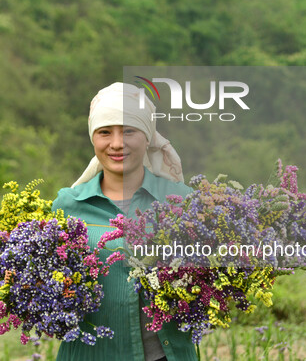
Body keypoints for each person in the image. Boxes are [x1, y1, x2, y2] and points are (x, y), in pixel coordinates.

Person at [52, 83, 197, 361]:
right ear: (93, 138)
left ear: (148, 136)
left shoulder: (182, 201)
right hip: (91, 354)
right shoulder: (68, 205)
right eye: (105, 132)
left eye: (129, 131)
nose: (117, 143)